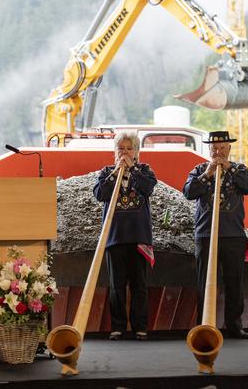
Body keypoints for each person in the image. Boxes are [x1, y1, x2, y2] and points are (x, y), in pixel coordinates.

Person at [183, 131, 248, 339]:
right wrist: (207, 174)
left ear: (229, 149)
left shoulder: (239, 169)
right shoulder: (199, 170)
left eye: (222, 148)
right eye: (214, 148)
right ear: (209, 149)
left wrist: (229, 168)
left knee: (234, 282)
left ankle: (234, 325)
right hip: (205, 235)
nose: (218, 152)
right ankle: (205, 325)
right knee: (205, 282)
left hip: (233, 235)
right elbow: (188, 192)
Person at [94, 130, 157, 341]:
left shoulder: (145, 171)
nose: (125, 152)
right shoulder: (106, 172)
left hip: (139, 236)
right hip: (114, 236)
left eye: (129, 148)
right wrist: (117, 173)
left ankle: (140, 326)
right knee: (116, 286)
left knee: (139, 284)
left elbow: (148, 189)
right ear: (115, 151)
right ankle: (118, 326)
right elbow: (100, 194)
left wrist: (131, 169)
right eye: (121, 148)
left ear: (137, 152)